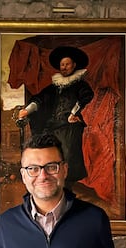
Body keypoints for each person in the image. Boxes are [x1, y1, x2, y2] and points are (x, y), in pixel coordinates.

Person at [17, 46, 94, 189]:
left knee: (67, 155)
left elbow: (86, 99)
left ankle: (67, 188)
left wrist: (74, 114)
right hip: (53, 125)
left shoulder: (81, 85)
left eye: (67, 64)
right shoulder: (54, 87)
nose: (64, 67)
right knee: (49, 154)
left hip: (70, 126)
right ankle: (51, 184)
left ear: (74, 65)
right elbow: (40, 99)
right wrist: (27, 111)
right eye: (62, 65)